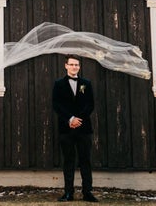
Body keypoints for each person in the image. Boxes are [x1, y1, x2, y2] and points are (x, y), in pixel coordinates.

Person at [52, 55, 97, 202]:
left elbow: (90, 104)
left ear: (79, 67)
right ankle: (68, 193)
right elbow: (56, 105)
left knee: (86, 161)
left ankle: (87, 192)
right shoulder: (58, 84)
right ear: (66, 66)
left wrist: (79, 119)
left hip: (84, 128)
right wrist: (70, 119)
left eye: (76, 65)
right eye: (71, 64)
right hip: (66, 128)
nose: (74, 67)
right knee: (68, 161)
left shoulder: (86, 83)